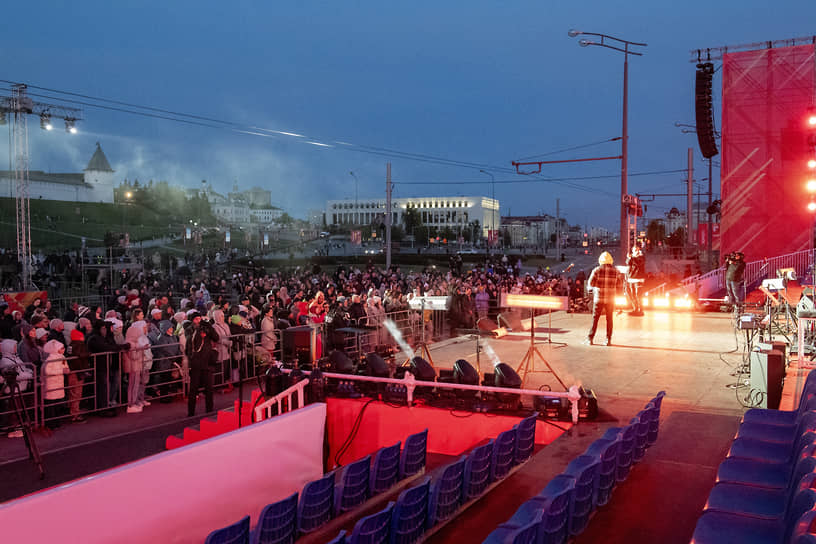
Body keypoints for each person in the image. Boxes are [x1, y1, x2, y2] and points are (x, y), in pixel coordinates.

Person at [584, 251, 622, 346]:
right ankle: (608, 340)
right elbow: (620, 285)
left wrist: (597, 286)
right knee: (609, 319)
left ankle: (590, 339)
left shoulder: (596, 270)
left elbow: (591, 284)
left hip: (599, 298)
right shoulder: (616, 271)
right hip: (610, 299)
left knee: (595, 319)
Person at [185, 312, 219, 417]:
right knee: (193, 389)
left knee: (209, 388)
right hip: (196, 364)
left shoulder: (206, 328)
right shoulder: (189, 330)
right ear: (192, 321)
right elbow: (191, 343)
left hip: (207, 363)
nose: (198, 321)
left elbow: (216, 338)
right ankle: (191, 412)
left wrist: (209, 327)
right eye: (196, 319)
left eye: (200, 319)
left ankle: (210, 410)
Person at [626, 242, 646, 316]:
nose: (635, 250)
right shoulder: (632, 257)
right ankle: (635, 308)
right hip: (631, 277)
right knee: (632, 293)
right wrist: (629, 258)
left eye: (637, 249)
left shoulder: (641, 256)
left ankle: (640, 309)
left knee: (638, 294)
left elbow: (638, 263)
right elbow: (628, 263)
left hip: (639, 278)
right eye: (634, 249)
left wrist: (632, 258)